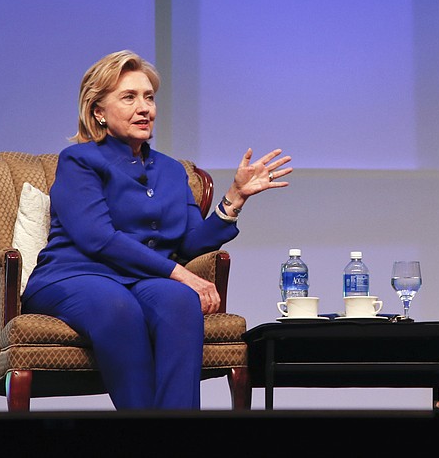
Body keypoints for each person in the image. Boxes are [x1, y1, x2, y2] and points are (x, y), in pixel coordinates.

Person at [21, 50, 292, 410]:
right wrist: (179, 273)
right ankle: (147, 435)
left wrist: (234, 198)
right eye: (129, 97)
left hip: (141, 281)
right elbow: (96, 238)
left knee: (180, 300)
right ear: (98, 111)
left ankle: (177, 434)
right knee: (118, 307)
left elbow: (191, 241)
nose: (144, 107)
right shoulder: (80, 162)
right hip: (74, 276)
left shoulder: (171, 170)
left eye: (149, 97)